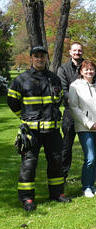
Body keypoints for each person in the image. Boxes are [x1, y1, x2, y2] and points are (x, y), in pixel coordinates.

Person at [7, 46, 71, 211]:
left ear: (46, 59)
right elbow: (12, 101)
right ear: (31, 59)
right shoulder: (21, 79)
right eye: (36, 56)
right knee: (29, 165)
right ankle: (27, 198)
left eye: (42, 56)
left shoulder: (54, 78)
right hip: (31, 132)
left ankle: (57, 194)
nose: (39, 59)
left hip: (52, 130)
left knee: (56, 162)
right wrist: (24, 116)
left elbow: (58, 100)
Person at [57, 42, 96, 180]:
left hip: (89, 113)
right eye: (74, 50)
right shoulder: (63, 69)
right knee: (66, 146)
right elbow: (63, 91)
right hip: (70, 113)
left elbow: (94, 86)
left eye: (79, 50)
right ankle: (63, 174)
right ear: (70, 52)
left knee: (91, 146)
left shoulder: (88, 67)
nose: (77, 53)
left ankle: (93, 173)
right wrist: (76, 102)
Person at [69, 60, 96, 198]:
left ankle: (92, 185)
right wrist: (89, 123)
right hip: (84, 128)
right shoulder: (75, 86)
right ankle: (86, 187)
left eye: (91, 69)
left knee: (95, 158)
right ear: (81, 71)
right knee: (90, 157)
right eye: (86, 70)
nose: (89, 72)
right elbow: (74, 108)